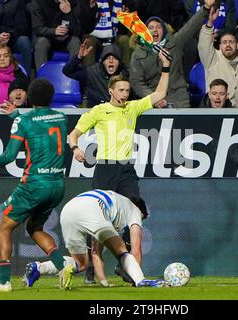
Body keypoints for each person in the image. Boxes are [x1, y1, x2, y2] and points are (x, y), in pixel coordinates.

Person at [68, 50, 170, 283]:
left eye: (127, 90)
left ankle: (128, 268)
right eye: (121, 90)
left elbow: (160, 93)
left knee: (135, 214)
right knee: (98, 222)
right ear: (111, 91)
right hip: (104, 169)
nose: (125, 94)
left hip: (126, 170)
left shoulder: (132, 108)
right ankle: (93, 270)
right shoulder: (98, 111)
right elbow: (73, 134)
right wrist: (75, 148)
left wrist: (165, 67)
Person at [0, 78, 68, 292]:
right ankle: (63, 265)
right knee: (34, 227)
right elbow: (41, 125)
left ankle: (3, 282)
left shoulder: (25, 122)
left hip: (34, 184)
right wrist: (18, 115)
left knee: (4, 226)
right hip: (57, 184)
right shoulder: (62, 117)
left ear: (29, 97)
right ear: (51, 97)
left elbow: (9, 156)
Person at [22, 190, 167, 289]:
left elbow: (96, 253)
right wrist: (138, 279)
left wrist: (103, 282)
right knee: (121, 250)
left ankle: (38, 268)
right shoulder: (134, 210)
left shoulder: (116, 208)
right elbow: (136, 248)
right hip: (92, 209)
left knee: (81, 264)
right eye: (142, 219)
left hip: (69, 210)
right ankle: (141, 281)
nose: (139, 222)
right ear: (141, 211)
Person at [129, 0, 216, 108]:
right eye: (150, 28)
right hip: (151, 100)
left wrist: (206, 8)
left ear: (164, 31)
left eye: (158, 27)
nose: (155, 30)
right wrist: (154, 98)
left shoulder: (175, 43)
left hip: (178, 99)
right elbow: (136, 82)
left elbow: (190, 27)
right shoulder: (138, 53)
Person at [198, 8, 238, 108]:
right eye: (224, 42)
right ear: (219, 46)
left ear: (237, 46)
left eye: (231, 42)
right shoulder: (212, 59)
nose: (228, 45)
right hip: (215, 113)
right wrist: (210, 22)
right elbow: (204, 45)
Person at [30, 0, 98, 70]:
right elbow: (37, 28)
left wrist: (69, 13)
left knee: (75, 41)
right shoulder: (38, 2)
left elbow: (78, 31)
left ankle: (74, 77)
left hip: (67, 38)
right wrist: (53, 31)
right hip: (47, 37)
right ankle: (42, 77)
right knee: (41, 43)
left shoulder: (73, 3)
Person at [62, 40, 130, 108]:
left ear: (119, 62)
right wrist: (79, 57)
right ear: (102, 61)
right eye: (107, 58)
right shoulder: (92, 72)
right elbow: (67, 71)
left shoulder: (125, 74)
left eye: (114, 58)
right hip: (95, 112)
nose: (111, 61)